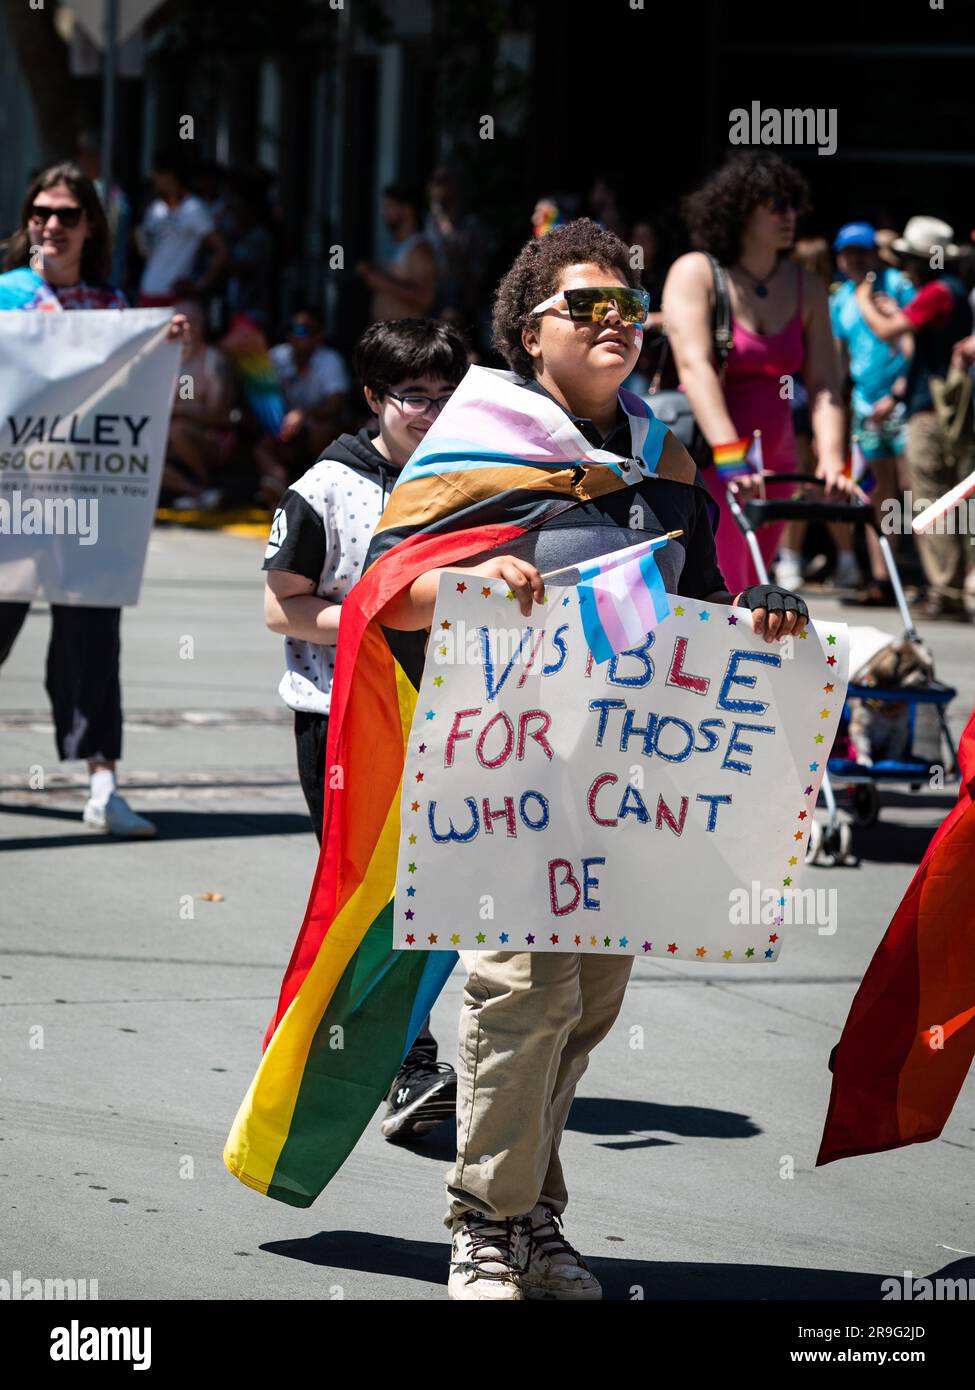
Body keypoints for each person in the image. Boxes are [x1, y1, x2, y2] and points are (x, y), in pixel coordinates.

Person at [374, 219, 809, 1299]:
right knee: (519, 996)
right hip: (507, 777)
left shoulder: (657, 462)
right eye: (588, 306)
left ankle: (536, 1219)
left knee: (586, 1008)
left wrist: (755, 616)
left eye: (630, 304)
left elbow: (698, 607)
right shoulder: (476, 446)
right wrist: (478, 587)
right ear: (530, 334)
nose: (617, 322)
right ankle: (484, 1225)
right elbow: (388, 589)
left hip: (624, 792)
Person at [262, 317, 470, 1141]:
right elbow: (281, 605)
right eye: (413, 399)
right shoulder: (325, 487)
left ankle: (399, 1055)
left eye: (445, 398)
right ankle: (398, 1062)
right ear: (374, 398)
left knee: (439, 896)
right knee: (370, 901)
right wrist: (373, 623)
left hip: (453, 723)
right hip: (344, 722)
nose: (429, 414)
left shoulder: (473, 479)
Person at [0, 162, 187, 835]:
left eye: (67, 215)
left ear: (89, 227)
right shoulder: (3, 299)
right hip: (9, 505)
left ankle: (102, 784)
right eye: (41, 212)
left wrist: (165, 351)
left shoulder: (113, 311)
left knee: (92, 644)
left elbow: (139, 401)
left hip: (87, 505)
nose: (51, 225)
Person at [662, 153, 853, 598]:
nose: (790, 216)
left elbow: (825, 381)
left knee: (753, 583)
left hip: (779, 465)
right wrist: (731, 453)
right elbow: (695, 365)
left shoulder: (805, 284)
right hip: (710, 458)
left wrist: (831, 458)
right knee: (724, 587)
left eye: (793, 205)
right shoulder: (698, 271)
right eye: (776, 204)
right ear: (740, 210)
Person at [852, 216, 974, 621]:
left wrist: (865, 300)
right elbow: (914, 348)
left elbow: (888, 331)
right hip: (947, 410)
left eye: (909, 260)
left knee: (933, 500)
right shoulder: (951, 292)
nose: (904, 268)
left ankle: (945, 589)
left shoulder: (937, 291)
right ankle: (955, 584)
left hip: (932, 414)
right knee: (954, 499)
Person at [829, 223, 916, 607]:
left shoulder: (898, 284)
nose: (856, 259)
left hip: (904, 402)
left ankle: (935, 577)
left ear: (875, 253)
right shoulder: (840, 299)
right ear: (839, 257)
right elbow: (835, 357)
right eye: (848, 253)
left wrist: (899, 392)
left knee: (914, 492)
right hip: (865, 406)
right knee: (877, 497)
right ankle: (884, 579)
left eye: (862, 251)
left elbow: (918, 341)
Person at [255, 306, 350, 504]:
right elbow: (263, 397)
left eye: (306, 330)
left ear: (319, 336)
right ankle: (277, 487)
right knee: (263, 445)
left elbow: (336, 405)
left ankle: (321, 491)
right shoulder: (276, 357)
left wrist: (303, 414)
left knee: (321, 434)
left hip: (319, 427)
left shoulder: (330, 360)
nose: (298, 334)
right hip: (286, 427)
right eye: (293, 329)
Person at [164, 299, 239, 507]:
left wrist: (178, 411)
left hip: (215, 438)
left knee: (177, 431)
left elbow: (218, 414)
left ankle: (205, 485)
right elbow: (188, 402)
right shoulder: (177, 362)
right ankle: (198, 493)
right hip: (181, 434)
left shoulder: (214, 361)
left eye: (181, 324)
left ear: (197, 326)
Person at [135, 151, 228, 308]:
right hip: (148, 292)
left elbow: (221, 249)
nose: (153, 178)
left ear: (170, 176)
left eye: (157, 173)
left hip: (175, 299)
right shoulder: (155, 208)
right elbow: (147, 249)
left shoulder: (194, 209)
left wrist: (200, 284)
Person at [357, 185, 438, 322]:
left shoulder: (420, 250)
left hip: (406, 338)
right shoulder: (393, 246)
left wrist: (379, 280)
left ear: (407, 210)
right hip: (387, 338)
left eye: (389, 206)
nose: (383, 213)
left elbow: (424, 298)